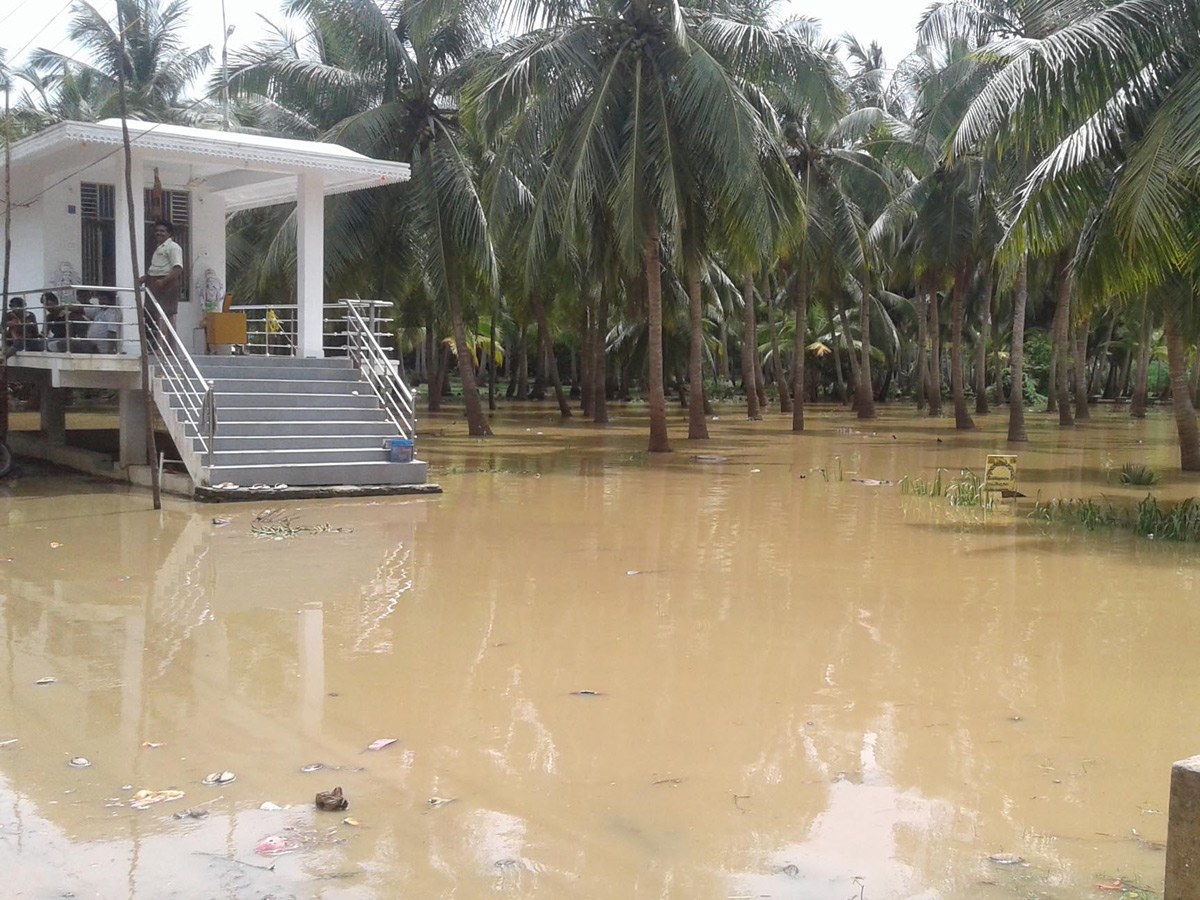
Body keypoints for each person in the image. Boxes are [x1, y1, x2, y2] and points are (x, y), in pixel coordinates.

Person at [142, 219, 184, 323]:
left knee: (165, 315)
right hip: (155, 284)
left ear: (169, 233)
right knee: (153, 314)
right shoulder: (159, 247)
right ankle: (157, 338)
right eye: (157, 230)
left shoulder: (173, 247)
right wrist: (146, 278)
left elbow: (177, 269)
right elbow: (158, 267)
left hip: (166, 284)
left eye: (162, 231)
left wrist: (163, 282)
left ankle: (165, 339)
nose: (158, 233)